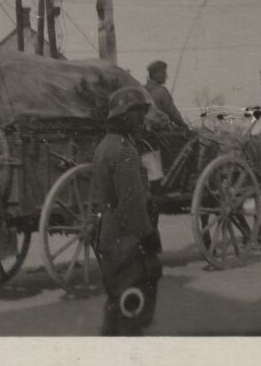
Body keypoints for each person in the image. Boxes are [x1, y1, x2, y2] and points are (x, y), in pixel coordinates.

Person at [92, 86, 163, 336]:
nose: (143, 118)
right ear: (123, 116)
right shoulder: (125, 151)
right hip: (128, 245)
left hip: (110, 240)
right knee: (133, 318)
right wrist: (149, 236)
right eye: (138, 113)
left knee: (116, 313)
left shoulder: (104, 146)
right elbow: (132, 205)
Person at [144, 60, 189, 128]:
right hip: (159, 131)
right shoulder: (162, 91)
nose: (166, 76)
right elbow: (173, 113)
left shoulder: (141, 90)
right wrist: (183, 125)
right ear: (158, 75)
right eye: (164, 73)